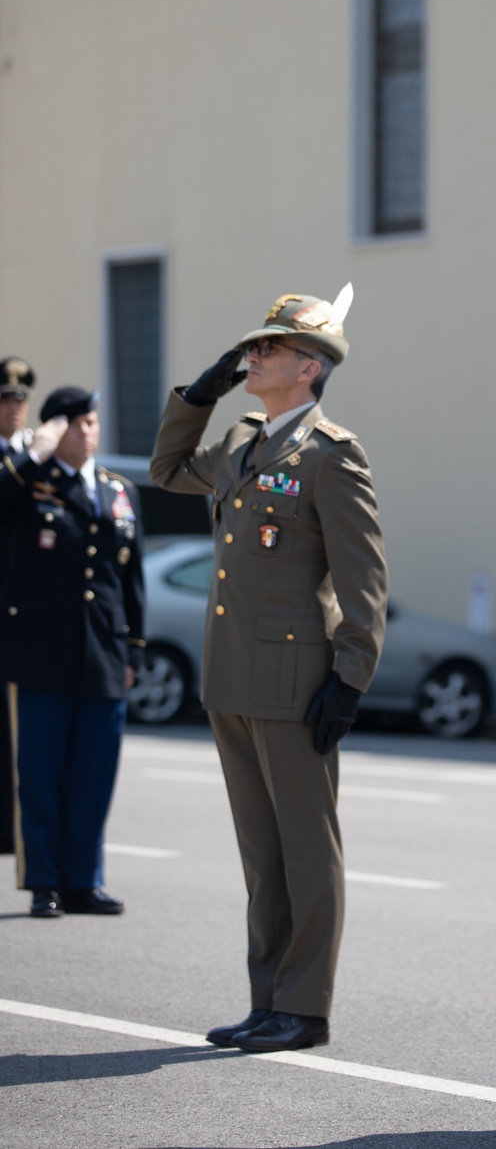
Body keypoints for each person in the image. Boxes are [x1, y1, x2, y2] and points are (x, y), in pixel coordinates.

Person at [150, 289, 388, 1055]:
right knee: (262, 854)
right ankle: (267, 1002)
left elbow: (364, 583)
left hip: (296, 685)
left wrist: (350, 679)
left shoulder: (331, 456)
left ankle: (305, 1006)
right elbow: (166, 468)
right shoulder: (243, 441)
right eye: (250, 347)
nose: (250, 356)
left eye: (267, 349)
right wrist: (200, 394)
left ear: (309, 367)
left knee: (307, 851)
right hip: (232, 679)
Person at [0, 386, 146, 918]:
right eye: (76, 424)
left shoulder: (118, 491)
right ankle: (44, 881)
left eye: (92, 422)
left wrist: (133, 651)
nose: (88, 432)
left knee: (93, 774)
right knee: (39, 774)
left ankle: (83, 879)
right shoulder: (26, 483)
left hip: (103, 655)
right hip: (40, 652)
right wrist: (30, 454)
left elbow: (131, 580)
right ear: (54, 431)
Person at [0, 357, 36, 856]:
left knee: (24, 732)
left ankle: (16, 829)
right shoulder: (27, 462)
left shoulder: (40, 456)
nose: (14, 408)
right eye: (6, 399)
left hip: (27, 615)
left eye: (20, 399)